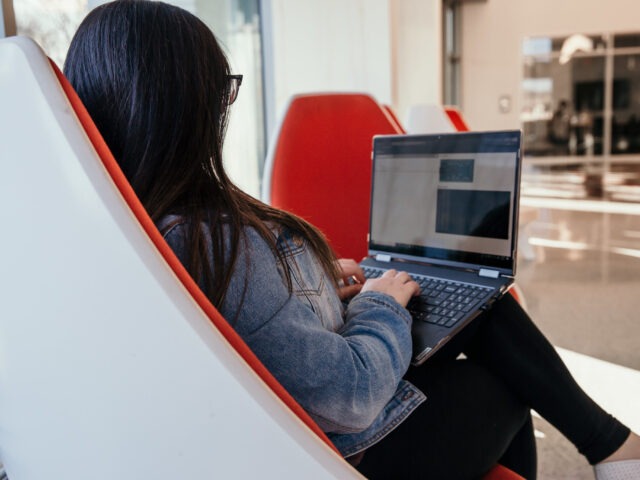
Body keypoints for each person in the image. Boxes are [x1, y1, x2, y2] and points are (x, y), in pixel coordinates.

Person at [63, 1, 640, 478]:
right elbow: (351, 395)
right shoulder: (212, 243)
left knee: (481, 310)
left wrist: (309, 290)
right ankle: (615, 450)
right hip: (334, 455)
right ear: (185, 109)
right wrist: (380, 303)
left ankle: (615, 449)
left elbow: (255, 335)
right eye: (224, 92)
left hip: (288, 435)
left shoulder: (133, 230)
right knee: (505, 383)